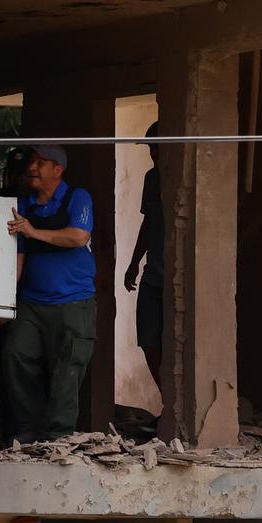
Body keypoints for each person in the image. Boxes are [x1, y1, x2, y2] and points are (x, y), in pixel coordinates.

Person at [3, 145, 97, 443]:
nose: (33, 168)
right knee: (15, 354)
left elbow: (79, 236)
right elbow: (17, 252)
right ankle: (30, 427)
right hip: (32, 300)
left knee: (68, 366)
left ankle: (58, 436)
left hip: (74, 300)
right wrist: (4, 300)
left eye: (41, 163)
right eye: (32, 162)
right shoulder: (23, 204)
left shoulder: (77, 197)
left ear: (58, 170)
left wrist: (34, 232)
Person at [122, 122, 164, 388]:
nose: (153, 153)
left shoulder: (182, 178)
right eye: (151, 148)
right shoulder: (152, 178)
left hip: (173, 277)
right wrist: (134, 262)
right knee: (148, 340)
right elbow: (148, 223)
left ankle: (172, 408)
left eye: (156, 147)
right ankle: (167, 401)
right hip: (152, 274)